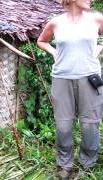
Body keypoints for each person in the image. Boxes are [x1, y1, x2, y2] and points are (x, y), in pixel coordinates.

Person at [37, 0, 103, 178]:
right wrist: (54, 52)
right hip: (62, 79)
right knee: (63, 125)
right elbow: (42, 41)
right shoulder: (56, 22)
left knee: (90, 124)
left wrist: (98, 48)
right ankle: (64, 165)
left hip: (90, 79)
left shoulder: (97, 19)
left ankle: (87, 164)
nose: (91, 0)